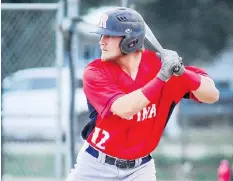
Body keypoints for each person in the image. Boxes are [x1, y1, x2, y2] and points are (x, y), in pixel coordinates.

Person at [66, 7, 219, 181]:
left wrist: (181, 72)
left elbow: (212, 95)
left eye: (109, 36)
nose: (102, 41)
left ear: (130, 41)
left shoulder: (160, 66)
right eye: (102, 35)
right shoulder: (96, 71)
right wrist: (162, 77)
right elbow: (125, 108)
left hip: (140, 170)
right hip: (95, 166)